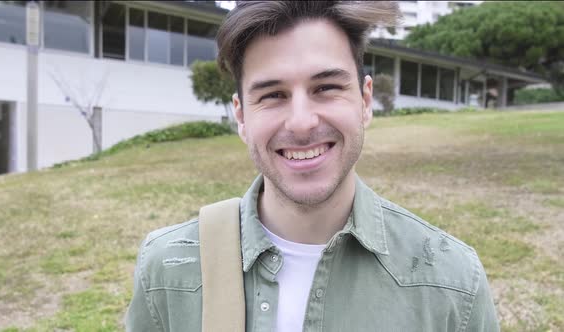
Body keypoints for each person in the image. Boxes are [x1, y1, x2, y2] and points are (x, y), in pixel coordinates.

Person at [126, 1, 500, 331]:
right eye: (273, 95)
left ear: (365, 101)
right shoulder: (167, 268)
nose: (301, 122)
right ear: (241, 116)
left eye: (326, 88)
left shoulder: (453, 281)